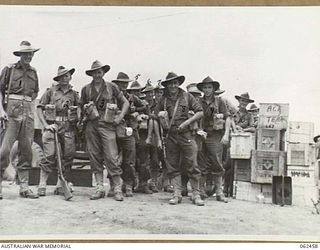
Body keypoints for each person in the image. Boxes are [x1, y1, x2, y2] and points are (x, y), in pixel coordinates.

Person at [79, 61, 129, 201]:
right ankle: (99, 187)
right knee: (94, 156)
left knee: (112, 156)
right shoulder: (86, 89)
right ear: (91, 74)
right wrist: (83, 112)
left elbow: (125, 102)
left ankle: (117, 189)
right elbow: (80, 105)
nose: (97, 74)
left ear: (103, 73)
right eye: (94, 72)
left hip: (108, 125)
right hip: (91, 125)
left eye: (99, 72)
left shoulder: (112, 87)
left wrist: (119, 118)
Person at [155, 72, 204, 206]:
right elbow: (154, 115)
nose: (173, 86)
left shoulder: (187, 97)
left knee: (192, 163)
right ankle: (176, 193)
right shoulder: (163, 100)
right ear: (167, 85)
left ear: (178, 84)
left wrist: (187, 123)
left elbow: (200, 112)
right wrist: (160, 117)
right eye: (170, 83)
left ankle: (196, 194)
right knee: (172, 164)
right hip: (171, 135)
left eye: (175, 83)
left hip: (187, 134)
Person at [0, 41, 40, 199]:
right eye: (25, 54)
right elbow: (0, 91)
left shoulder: (34, 72)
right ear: (20, 55)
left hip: (28, 113)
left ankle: (24, 187)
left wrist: (28, 105)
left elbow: (35, 93)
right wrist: (2, 110)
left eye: (31, 54)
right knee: (4, 150)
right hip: (11, 113)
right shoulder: (9, 70)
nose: (28, 56)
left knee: (27, 150)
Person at [36, 66, 79, 197]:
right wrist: (46, 125)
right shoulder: (50, 92)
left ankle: (61, 184)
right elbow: (39, 108)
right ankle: (42, 183)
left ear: (70, 77)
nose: (64, 79)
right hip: (52, 127)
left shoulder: (74, 94)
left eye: (66, 76)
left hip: (68, 128)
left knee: (68, 156)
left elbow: (79, 110)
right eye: (61, 77)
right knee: (49, 155)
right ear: (58, 79)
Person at [111, 72, 149, 196]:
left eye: (125, 83)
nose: (123, 85)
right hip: (114, 129)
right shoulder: (112, 97)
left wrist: (134, 110)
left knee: (130, 159)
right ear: (116, 84)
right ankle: (114, 185)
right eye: (121, 83)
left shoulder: (132, 98)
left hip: (129, 130)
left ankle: (128, 184)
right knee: (113, 158)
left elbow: (145, 106)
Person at [197, 76, 231, 203]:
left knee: (217, 162)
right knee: (201, 162)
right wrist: (198, 130)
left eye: (209, 87)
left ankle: (219, 191)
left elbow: (228, 117)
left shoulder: (220, 102)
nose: (207, 90)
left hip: (215, 135)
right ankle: (201, 190)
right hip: (201, 134)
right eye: (205, 87)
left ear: (213, 89)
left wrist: (226, 134)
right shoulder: (198, 101)